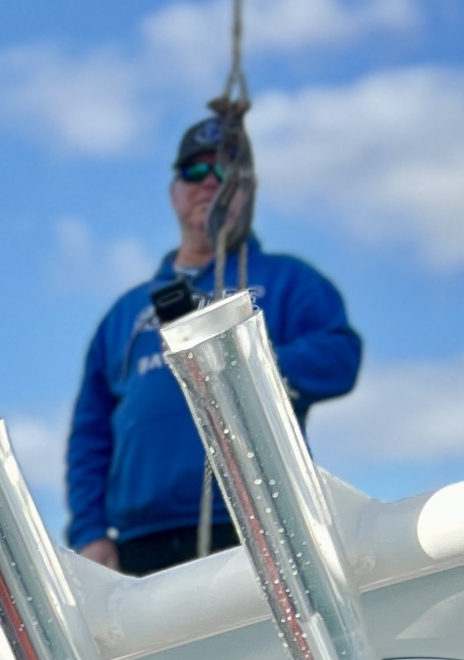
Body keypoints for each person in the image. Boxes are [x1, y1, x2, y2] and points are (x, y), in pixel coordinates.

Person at [66, 107, 360, 574]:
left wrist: (241, 365)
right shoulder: (124, 314)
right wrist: (90, 532)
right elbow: (91, 430)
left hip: (259, 520)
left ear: (247, 190)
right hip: (141, 545)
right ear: (173, 191)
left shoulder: (288, 281)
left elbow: (340, 357)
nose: (208, 182)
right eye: (194, 170)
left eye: (224, 171)